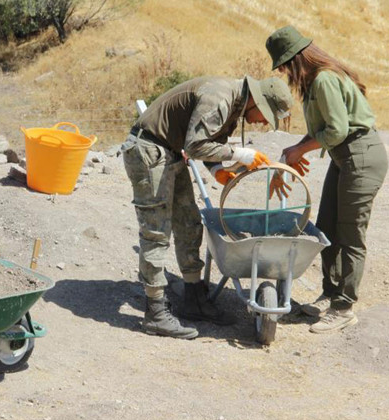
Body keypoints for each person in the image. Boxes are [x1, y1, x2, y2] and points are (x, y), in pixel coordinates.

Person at [123, 75, 293, 339]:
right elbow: (195, 145)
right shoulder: (220, 97)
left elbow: (207, 145)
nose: (261, 122)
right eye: (264, 115)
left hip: (170, 151)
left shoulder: (235, 104)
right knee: (156, 232)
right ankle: (155, 312)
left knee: (189, 223)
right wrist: (240, 155)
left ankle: (194, 299)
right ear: (256, 101)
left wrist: (216, 170)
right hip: (150, 151)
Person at [265, 26, 388, 333]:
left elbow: (337, 130)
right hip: (343, 156)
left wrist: (299, 149)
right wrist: (296, 151)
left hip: (360, 156)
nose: (282, 70)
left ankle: (344, 307)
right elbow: (324, 129)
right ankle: (330, 294)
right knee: (327, 227)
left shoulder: (323, 80)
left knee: (350, 234)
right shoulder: (314, 82)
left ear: (296, 59)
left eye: (282, 64)